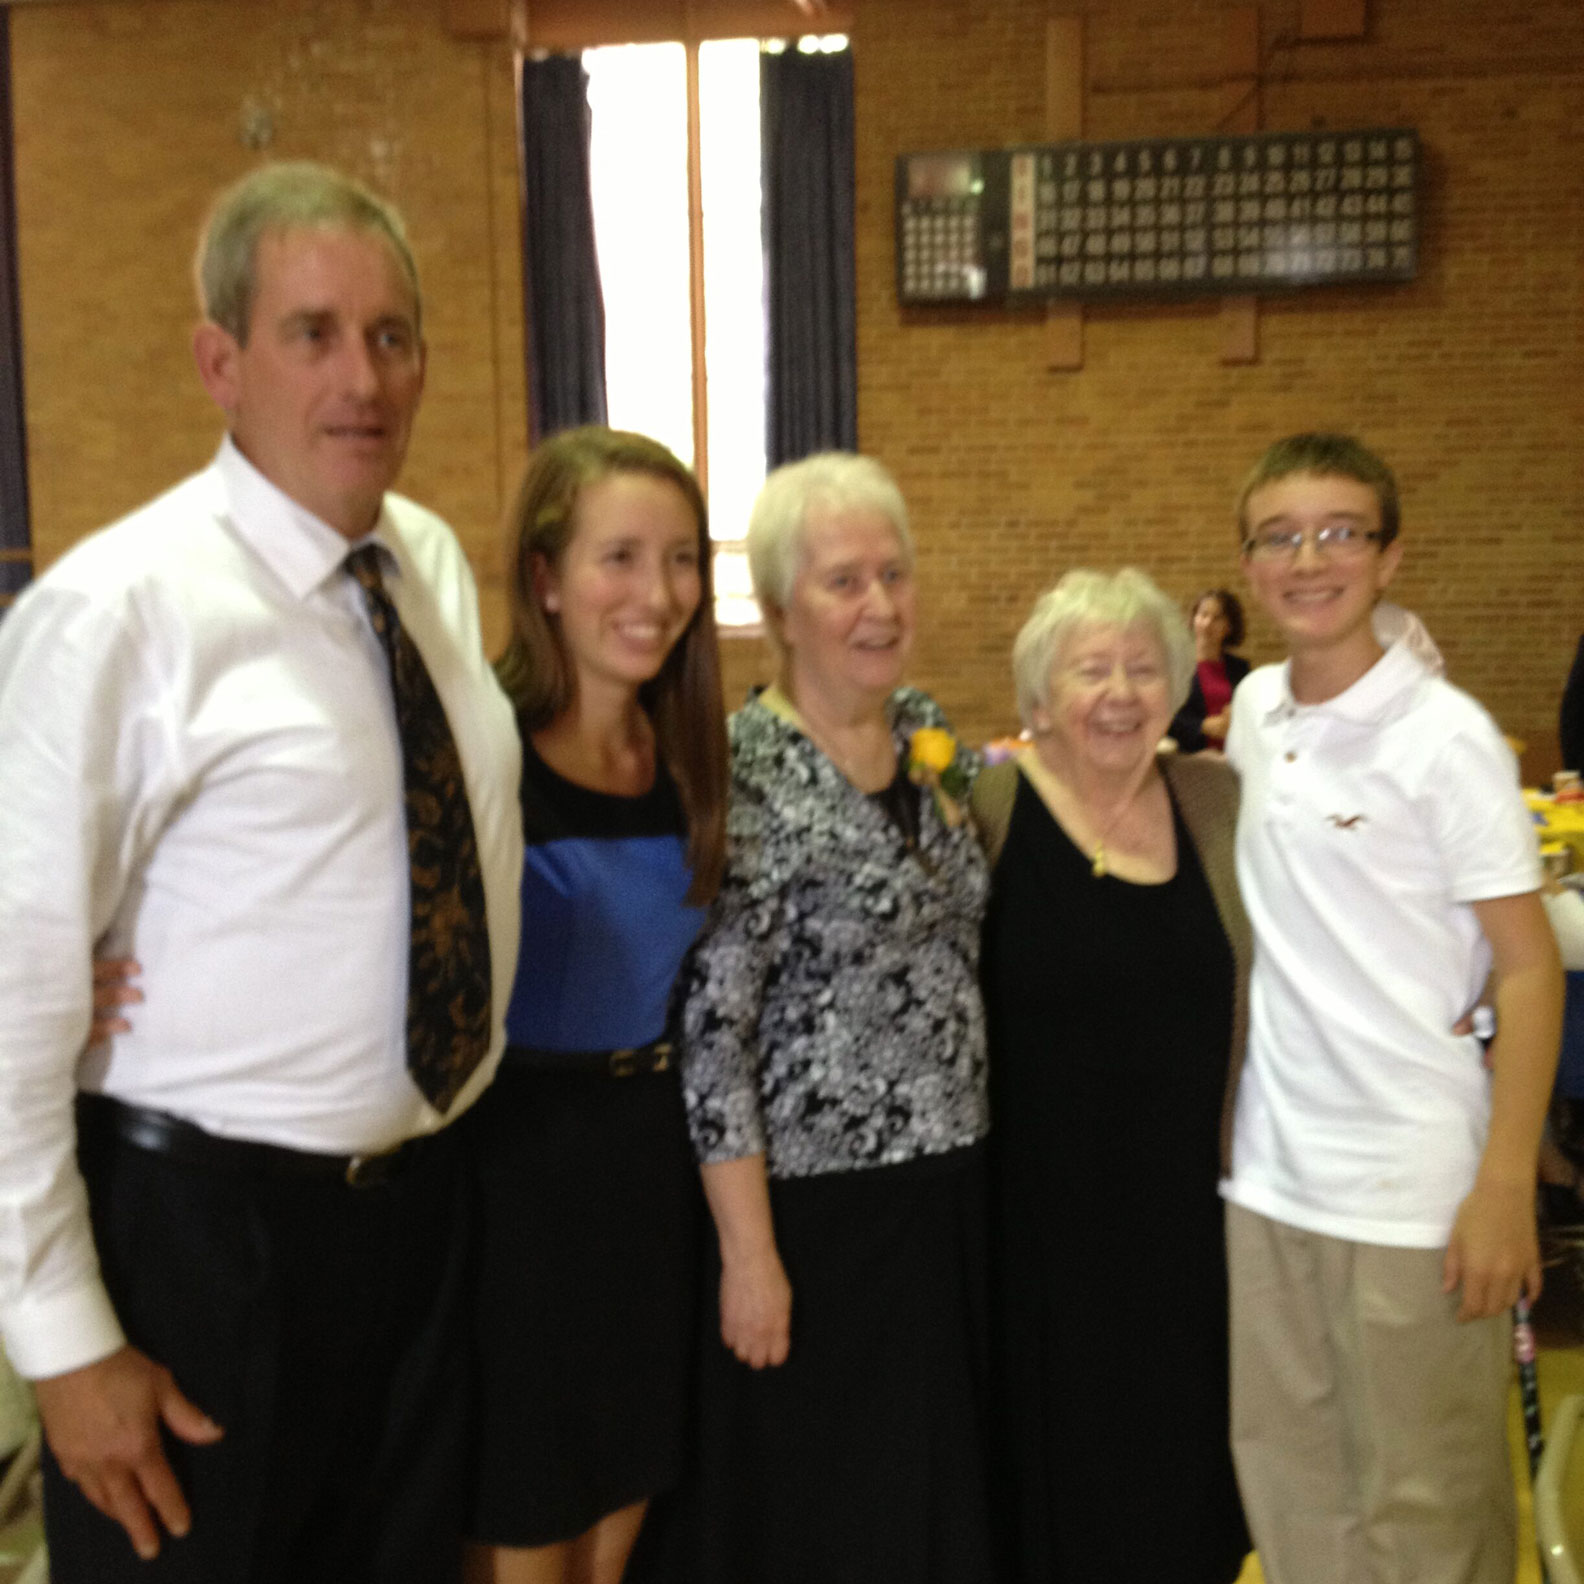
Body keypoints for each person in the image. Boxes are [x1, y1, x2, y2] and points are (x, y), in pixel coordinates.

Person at [0, 162, 522, 1582]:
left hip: (417, 1222)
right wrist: (64, 1343)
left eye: (392, 335)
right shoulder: (118, 612)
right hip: (204, 1247)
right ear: (219, 360)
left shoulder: (422, 569)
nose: (363, 375)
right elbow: (11, 997)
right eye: (312, 332)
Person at [642, 452, 994, 1584]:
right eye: (844, 581)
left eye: (894, 574)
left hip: (950, 1194)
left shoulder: (928, 730)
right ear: (780, 609)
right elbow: (713, 1039)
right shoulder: (739, 772)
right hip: (817, 1211)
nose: (880, 605)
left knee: (934, 1489)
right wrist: (751, 1256)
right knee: (830, 1506)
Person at [1222, 432, 1563, 1583]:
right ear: (1250, 561)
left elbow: (1525, 970)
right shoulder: (1256, 709)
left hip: (1416, 1192)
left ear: (1389, 555)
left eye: (1338, 532)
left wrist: (1505, 1183)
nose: (1307, 559)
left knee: (1428, 1513)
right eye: (1279, 536)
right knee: (1295, 1491)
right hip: (1271, 1178)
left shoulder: (1447, 739)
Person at [462, 427, 726, 1584]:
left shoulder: (687, 759)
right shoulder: (486, 753)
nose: (657, 593)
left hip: (650, 1168)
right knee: (528, 1507)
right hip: (516, 1178)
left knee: (625, 1495)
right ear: (545, 578)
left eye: (681, 560)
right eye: (620, 557)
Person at [970, 570, 1250, 1584]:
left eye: (1145, 668)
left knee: (1179, 1500)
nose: (1121, 692)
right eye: (1091, 670)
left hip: (1188, 1232)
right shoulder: (983, 806)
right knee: (1044, 1502)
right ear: (1038, 697)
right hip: (1029, 1234)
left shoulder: (1218, 802)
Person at [1169, 588, 1250, 753]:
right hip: (1191, 759)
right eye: (1203, 615)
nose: (1207, 624)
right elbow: (1164, 716)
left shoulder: (1240, 668)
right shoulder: (1176, 666)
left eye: (1217, 618)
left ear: (1228, 627)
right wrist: (1202, 726)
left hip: (1235, 757)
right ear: (1193, 619)